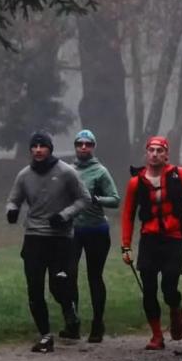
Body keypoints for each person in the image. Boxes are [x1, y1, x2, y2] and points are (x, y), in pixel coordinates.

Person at [6, 130, 91, 353]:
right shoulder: (24, 175)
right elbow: (14, 199)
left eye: (42, 146)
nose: (38, 150)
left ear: (50, 149)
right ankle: (45, 335)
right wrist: (12, 211)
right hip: (34, 236)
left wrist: (64, 215)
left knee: (58, 284)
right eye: (34, 146)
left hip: (60, 237)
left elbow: (84, 199)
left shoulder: (66, 172)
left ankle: (69, 310)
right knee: (34, 289)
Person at [120, 136, 182, 350]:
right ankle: (157, 335)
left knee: (169, 287)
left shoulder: (179, 174)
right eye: (151, 150)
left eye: (159, 150)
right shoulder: (135, 182)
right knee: (148, 289)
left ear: (166, 154)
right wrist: (126, 246)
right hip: (149, 238)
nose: (155, 154)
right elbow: (128, 214)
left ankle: (176, 310)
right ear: (146, 154)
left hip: (173, 238)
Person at [63, 129, 120, 343]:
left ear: (93, 147)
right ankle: (73, 324)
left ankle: (98, 324)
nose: (84, 147)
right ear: (76, 146)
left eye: (88, 144)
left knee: (94, 277)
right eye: (80, 144)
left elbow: (115, 199)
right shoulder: (67, 170)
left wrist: (97, 199)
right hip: (72, 231)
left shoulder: (100, 171)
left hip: (96, 229)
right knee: (69, 276)